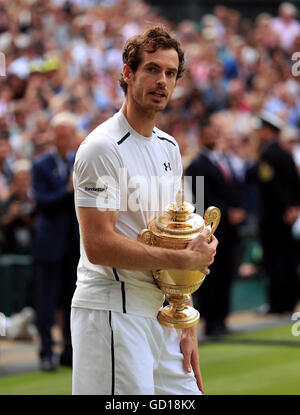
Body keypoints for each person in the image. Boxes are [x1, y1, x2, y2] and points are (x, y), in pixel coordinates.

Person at [71, 25, 218, 395]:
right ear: (127, 73)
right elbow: (99, 245)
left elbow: (179, 240)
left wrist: (185, 321)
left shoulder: (169, 147)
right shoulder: (102, 148)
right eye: (152, 69)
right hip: (111, 313)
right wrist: (185, 261)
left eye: (170, 73)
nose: (162, 81)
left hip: (159, 314)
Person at [186, 121, 246, 337]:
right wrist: (227, 211)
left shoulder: (226, 161)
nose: (213, 138)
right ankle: (212, 322)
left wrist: (238, 210)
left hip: (231, 229)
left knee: (227, 275)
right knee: (212, 277)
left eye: (215, 134)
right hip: (212, 229)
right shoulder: (196, 165)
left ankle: (222, 318)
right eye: (208, 135)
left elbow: (235, 189)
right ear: (201, 138)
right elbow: (202, 198)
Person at [32, 112, 80, 371]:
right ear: (53, 136)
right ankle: (47, 351)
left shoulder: (78, 162)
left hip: (73, 244)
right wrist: (67, 191)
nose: (63, 140)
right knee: (46, 302)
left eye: (67, 135)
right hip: (50, 244)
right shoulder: (41, 165)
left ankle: (70, 351)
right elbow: (41, 202)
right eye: (59, 135)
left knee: (72, 300)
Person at [247, 111, 300, 314]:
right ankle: (289, 301)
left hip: (273, 216)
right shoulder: (285, 153)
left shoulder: (268, 154)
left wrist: (288, 207)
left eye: (261, 130)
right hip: (286, 215)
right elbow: (294, 183)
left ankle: (279, 303)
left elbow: (271, 185)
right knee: (287, 258)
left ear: (267, 131)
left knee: (275, 261)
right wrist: (294, 207)